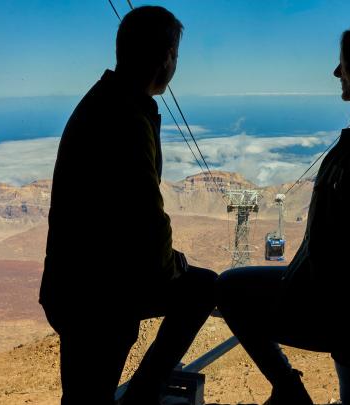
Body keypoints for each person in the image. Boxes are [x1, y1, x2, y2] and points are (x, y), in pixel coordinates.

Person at [216, 21, 350, 405]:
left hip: (347, 300)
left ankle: (290, 391)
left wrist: (342, 298)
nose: (336, 72)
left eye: (343, 62)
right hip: (341, 293)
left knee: (230, 289)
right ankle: (290, 390)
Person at [39, 6, 217, 405]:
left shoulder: (108, 102)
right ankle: (139, 398)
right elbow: (144, 218)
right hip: (101, 291)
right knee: (201, 288)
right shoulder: (126, 118)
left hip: (78, 282)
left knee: (86, 392)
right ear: (167, 57)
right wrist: (173, 266)